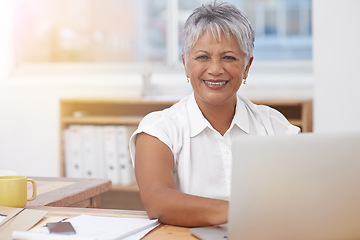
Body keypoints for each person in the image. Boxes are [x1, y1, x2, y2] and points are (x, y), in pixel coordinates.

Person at [129, 2, 300, 227]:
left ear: (246, 66)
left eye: (228, 57)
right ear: (185, 64)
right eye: (202, 57)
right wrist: (244, 212)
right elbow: (157, 201)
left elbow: (300, 197)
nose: (215, 69)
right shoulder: (158, 129)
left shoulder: (275, 127)